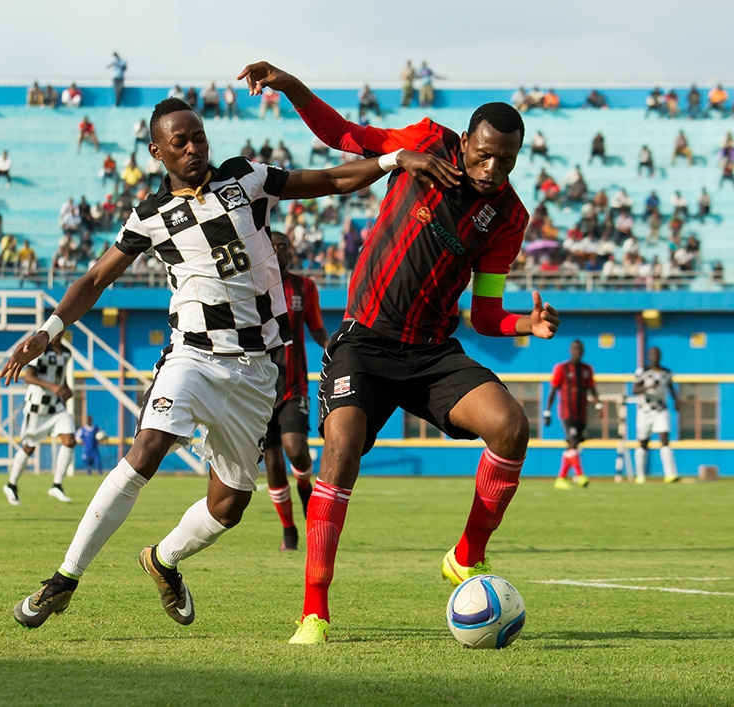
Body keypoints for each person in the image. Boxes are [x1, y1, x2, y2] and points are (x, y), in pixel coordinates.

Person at [1, 95, 453, 629]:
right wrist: (48, 330)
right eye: (180, 142)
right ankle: (64, 580)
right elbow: (96, 279)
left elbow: (329, 180)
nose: (193, 148)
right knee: (146, 447)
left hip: (259, 368)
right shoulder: (149, 216)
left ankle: (163, 560)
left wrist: (391, 161)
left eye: (199, 137)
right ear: (157, 152)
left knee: (230, 504)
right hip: (193, 355)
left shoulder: (245, 178)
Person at [238, 61, 560, 644]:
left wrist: (524, 324)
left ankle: (467, 554)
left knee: (511, 427)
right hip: (364, 341)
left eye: (506, 161)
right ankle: (315, 610)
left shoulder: (508, 216)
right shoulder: (425, 142)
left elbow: (486, 313)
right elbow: (342, 135)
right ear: (464, 142)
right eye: (485, 155)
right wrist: (288, 85)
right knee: (341, 449)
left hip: (433, 352)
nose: (493, 170)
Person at [265, 232, 330, 551]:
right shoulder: (253, 285)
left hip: (294, 386)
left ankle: (305, 485)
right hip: (260, 389)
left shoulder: (304, 288)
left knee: (295, 449)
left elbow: (317, 328)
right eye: (274, 246)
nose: (279, 251)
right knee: (274, 466)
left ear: (291, 252)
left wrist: (337, 349)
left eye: (284, 247)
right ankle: (289, 532)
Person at [3, 335, 76, 506]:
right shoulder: (41, 351)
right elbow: (28, 377)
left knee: (70, 440)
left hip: (56, 406)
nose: (57, 334)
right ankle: (11, 485)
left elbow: (59, 375)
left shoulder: (66, 352)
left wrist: (65, 388)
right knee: (29, 446)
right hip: (37, 405)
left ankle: (57, 485)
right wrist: (52, 387)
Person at [544, 340, 602, 490]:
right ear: (571, 350)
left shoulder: (587, 369)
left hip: (581, 413)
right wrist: (547, 411)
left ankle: (561, 478)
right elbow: (553, 390)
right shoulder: (562, 368)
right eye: (575, 348)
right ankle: (580, 474)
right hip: (566, 411)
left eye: (580, 349)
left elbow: (592, 390)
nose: (578, 351)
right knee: (574, 440)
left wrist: (599, 405)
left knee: (574, 444)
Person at [632, 347, 680, 484]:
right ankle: (640, 475)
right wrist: (649, 387)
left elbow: (671, 388)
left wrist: (676, 401)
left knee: (664, 438)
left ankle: (670, 474)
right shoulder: (642, 372)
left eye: (657, 354)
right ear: (648, 356)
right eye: (652, 354)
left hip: (661, 409)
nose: (655, 357)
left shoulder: (666, 372)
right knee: (643, 442)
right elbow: (634, 389)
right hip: (645, 410)